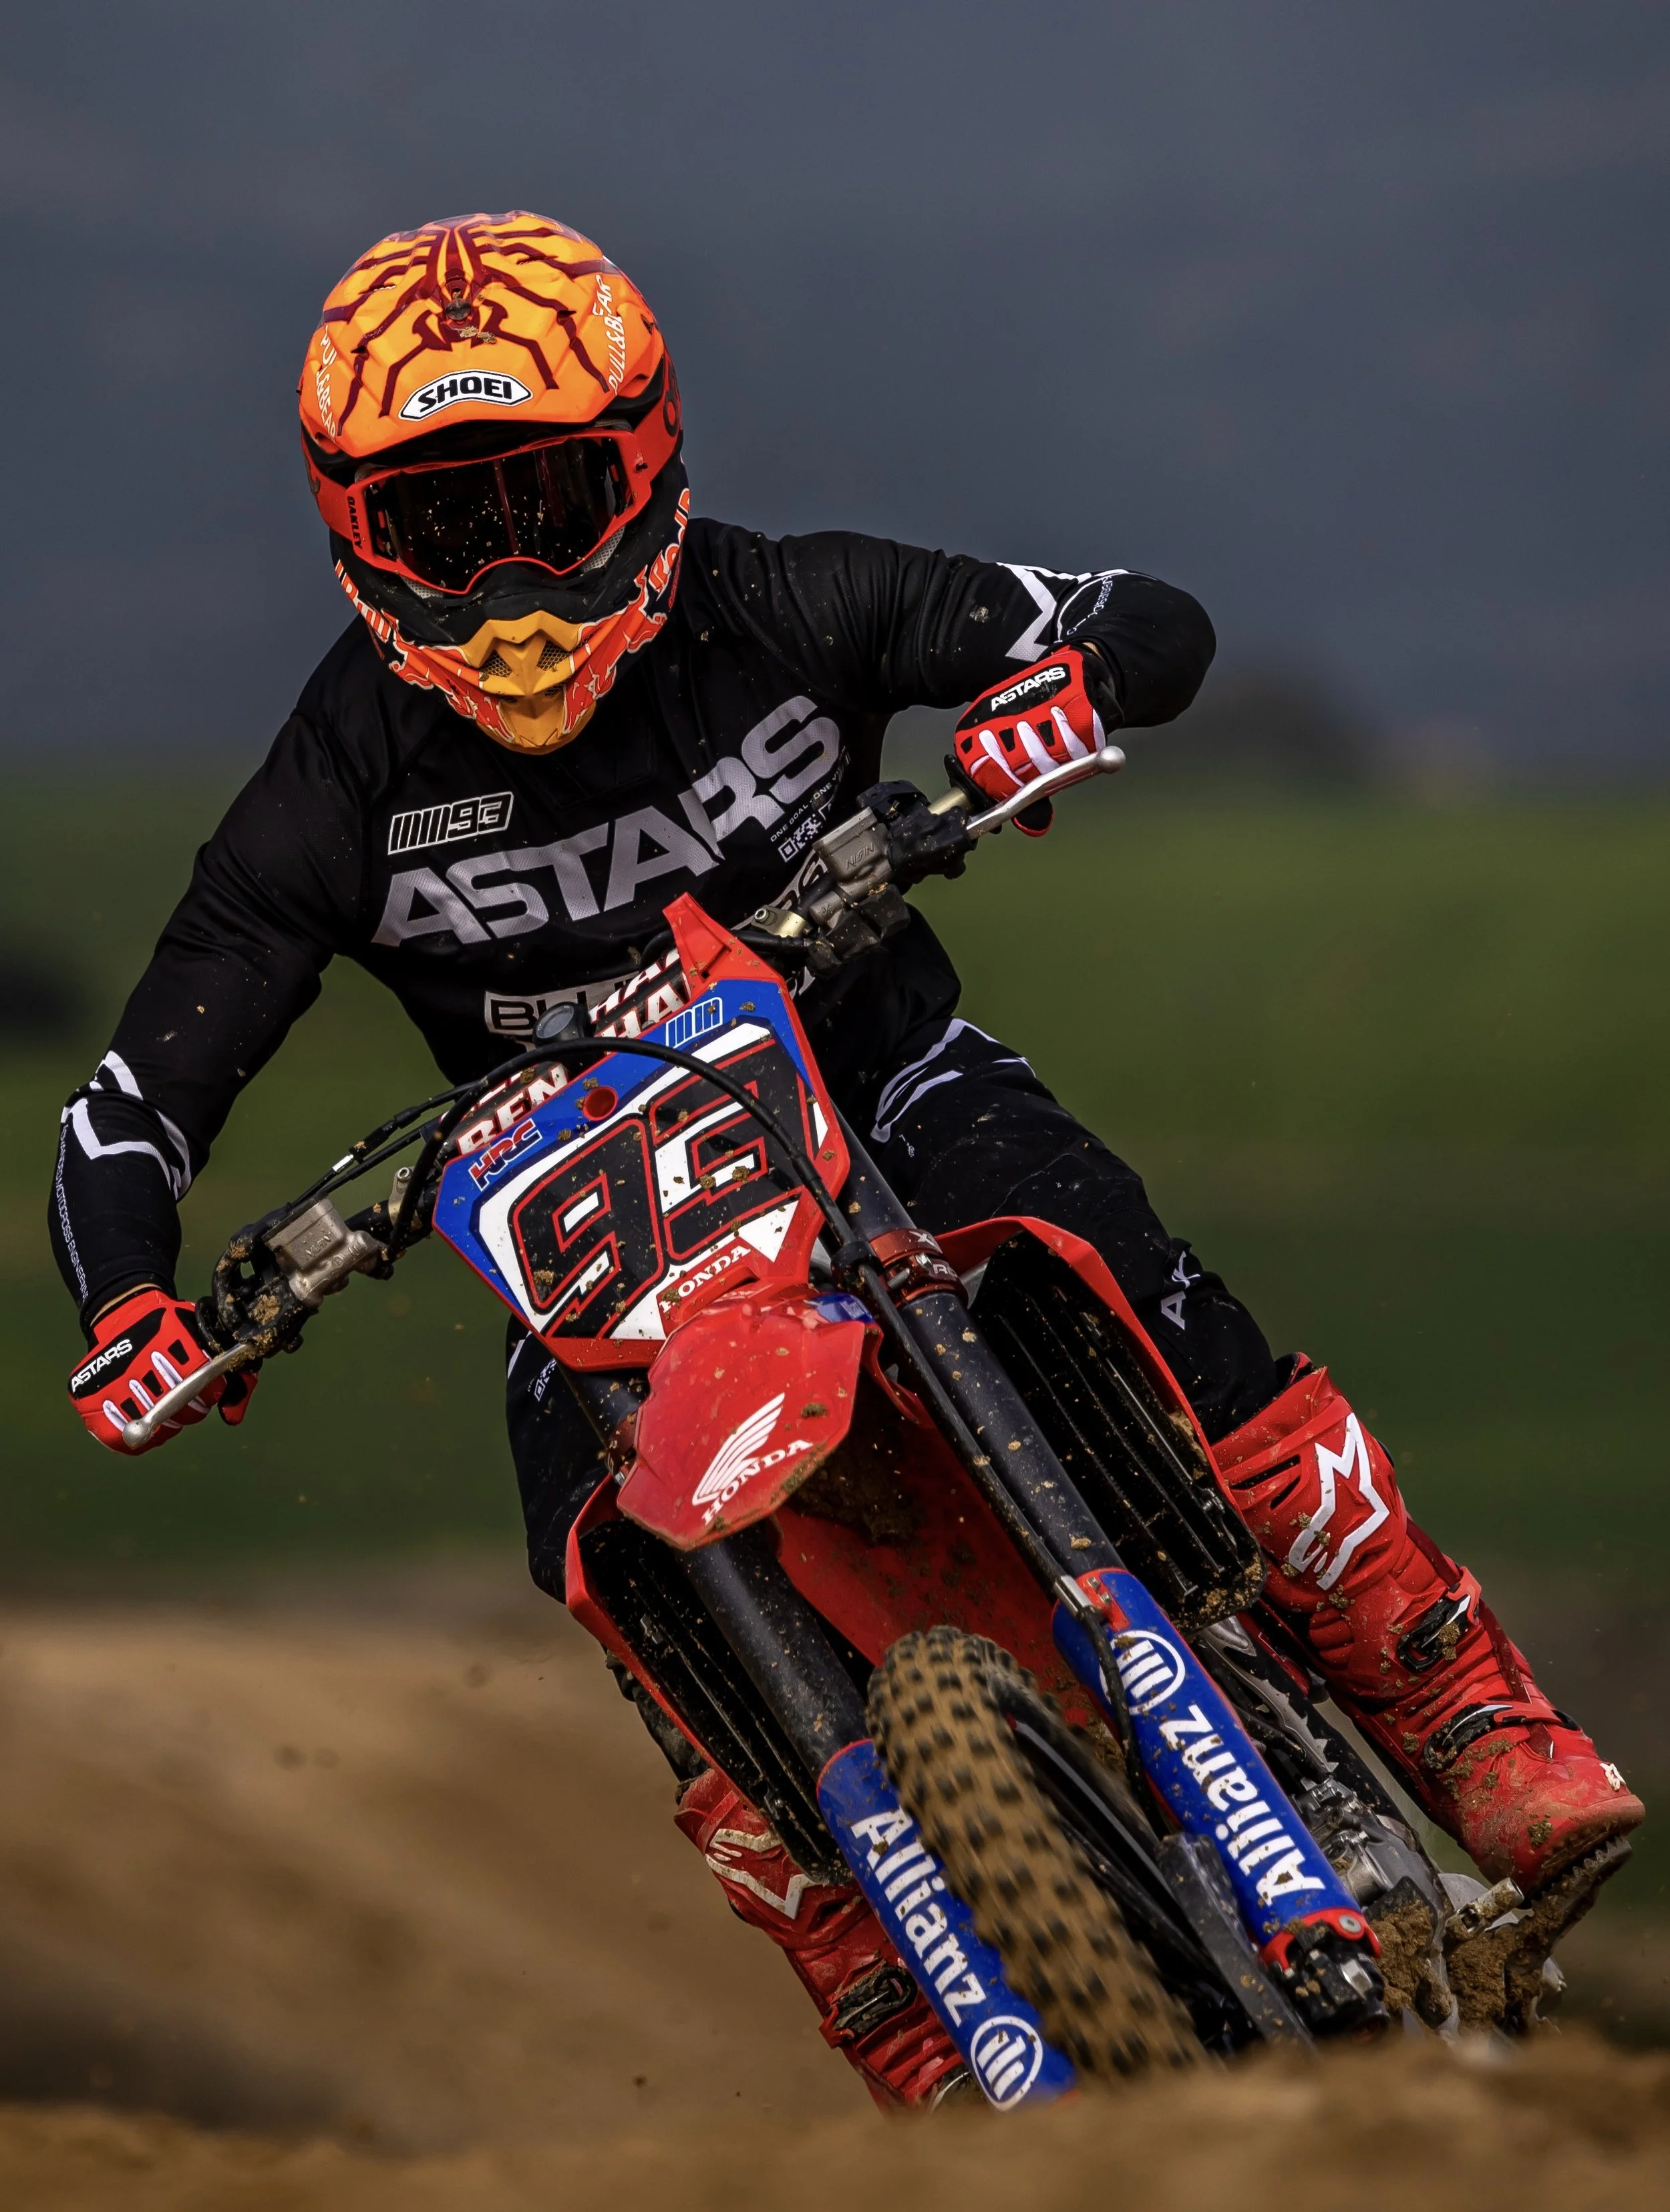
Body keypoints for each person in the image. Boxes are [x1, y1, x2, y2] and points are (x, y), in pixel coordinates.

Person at [55, 212, 1640, 2105]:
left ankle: (1459, 1704)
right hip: (602, 1225)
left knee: (1071, 1221)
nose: (510, 583)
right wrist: (127, 1299)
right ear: (351, 530)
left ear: (645, 464)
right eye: (444, 530)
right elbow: (130, 1106)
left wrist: (1063, 685)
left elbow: (1145, 617)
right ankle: (882, 1977)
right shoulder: (331, 783)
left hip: (882, 1091)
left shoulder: (790, 603)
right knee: (586, 1525)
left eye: (548, 505)